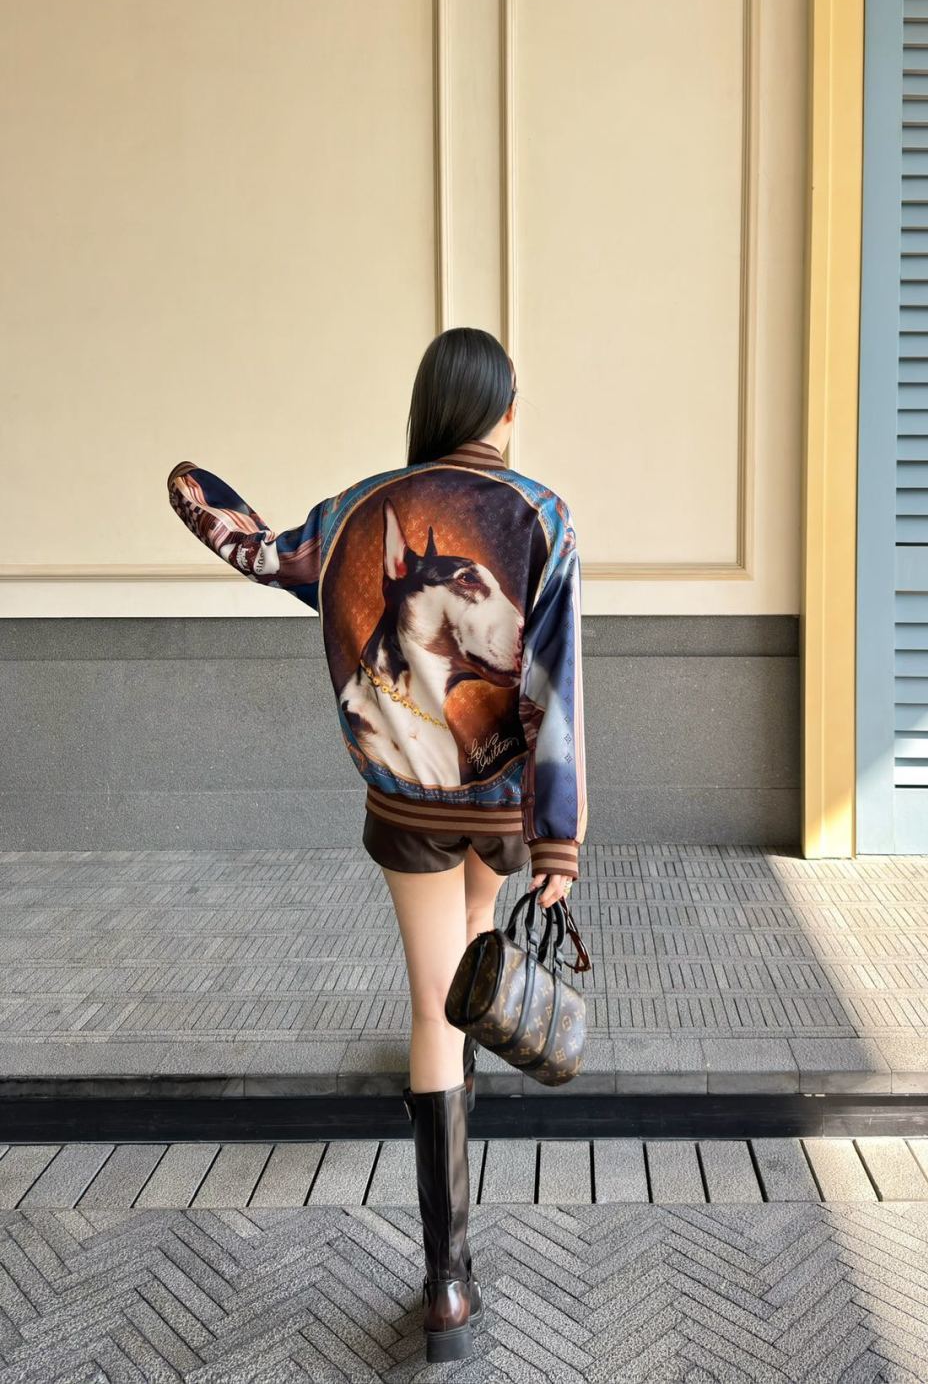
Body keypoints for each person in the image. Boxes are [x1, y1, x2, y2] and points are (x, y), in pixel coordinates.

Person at [166, 326, 587, 1363]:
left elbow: (259, 551)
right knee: (475, 950)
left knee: (433, 1000)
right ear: (506, 410)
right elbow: (554, 686)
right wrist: (559, 840)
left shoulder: (357, 510)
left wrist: (191, 488)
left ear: (429, 406)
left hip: (404, 805)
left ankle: (445, 1285)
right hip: (498, 804)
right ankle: (457, 1199)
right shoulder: (541, 515)